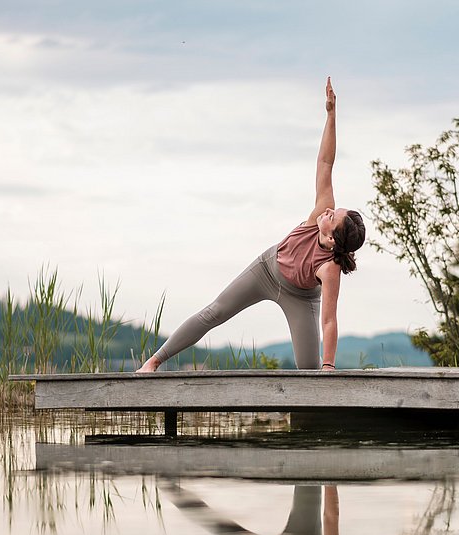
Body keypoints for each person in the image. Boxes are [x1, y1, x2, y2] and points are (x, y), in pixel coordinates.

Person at [137, 77, 365, 373]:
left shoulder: (330, 269)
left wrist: (329, 365)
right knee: (215, 312)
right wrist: (331, 116)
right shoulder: (320, 211)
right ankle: (153, 362)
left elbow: (329, 320)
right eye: (333, 210)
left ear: (333, 240)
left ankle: (314, 411)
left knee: (308, 369)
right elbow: (325, 163)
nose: (330, 211)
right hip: (267, 269)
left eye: (333, 217)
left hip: (300, 297)